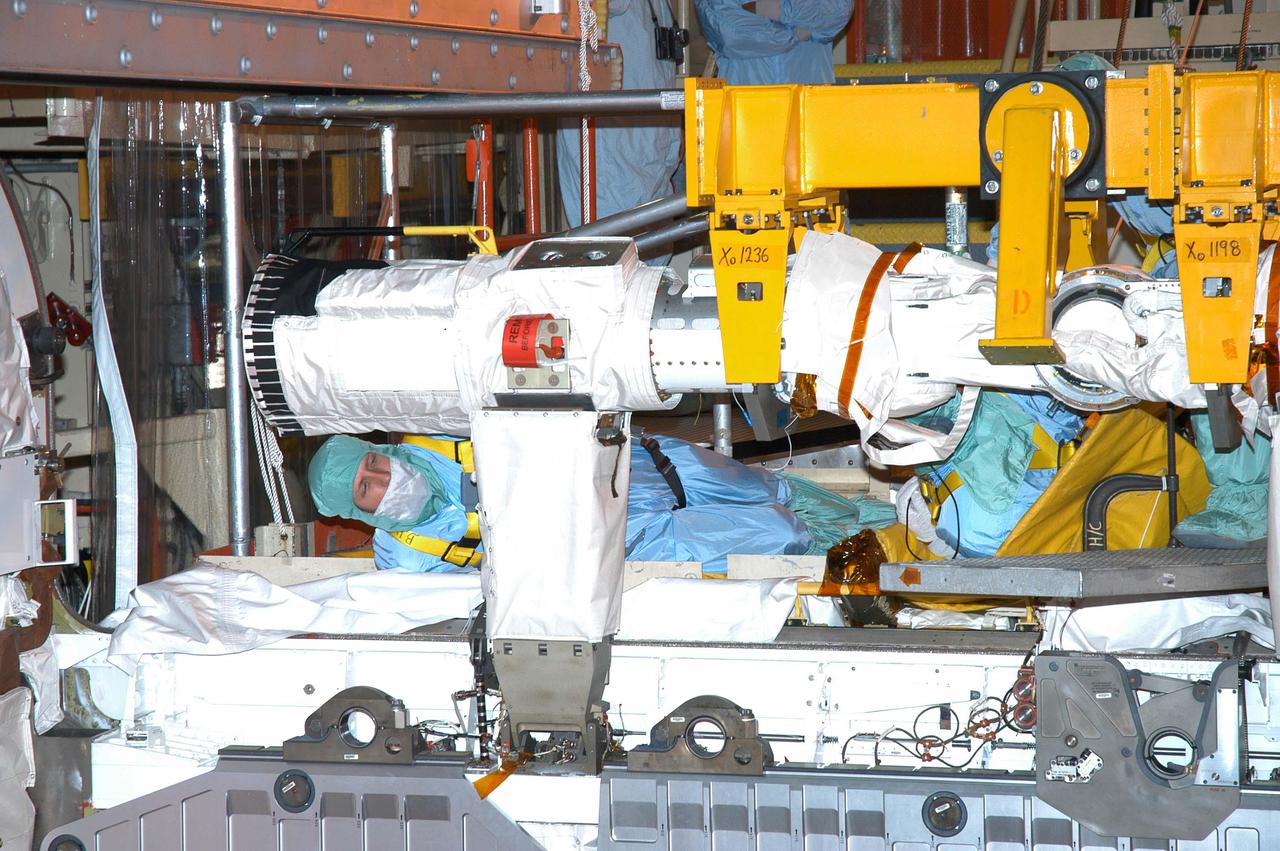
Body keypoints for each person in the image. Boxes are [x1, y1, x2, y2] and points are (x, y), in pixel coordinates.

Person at [307, 432, 862, 574]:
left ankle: (890, 522)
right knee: (782, 535)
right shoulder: (405, 558)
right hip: (614, 541)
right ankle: (877, 557)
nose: (385, 478)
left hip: (637, 469)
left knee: (774, 492)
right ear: (357, 513)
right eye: (366, 487)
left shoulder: (430, 434)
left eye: (375, 462)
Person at [694, 0, 852, 86]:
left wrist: (763, 7)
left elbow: (838, 10)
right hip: (746, 104)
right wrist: (798, 33)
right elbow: (727, 32)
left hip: (810, 100)